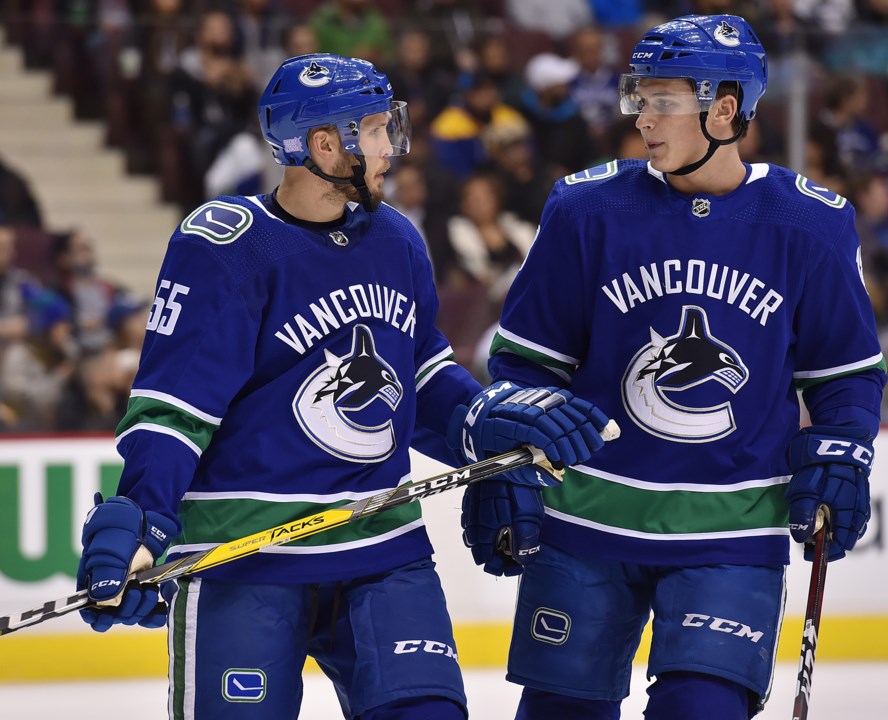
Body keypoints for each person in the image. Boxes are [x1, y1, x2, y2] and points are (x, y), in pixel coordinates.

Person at [73, 53, 611, 720]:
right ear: (326, 145)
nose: (394, 147)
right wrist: (147, 519)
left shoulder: (396, 239)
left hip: (381, 547)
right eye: (379, 130)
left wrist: (480, 427)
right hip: (243, 554)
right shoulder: (227, 246)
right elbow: (176, 413)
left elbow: (420, 376)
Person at [462, 15, 886, 719]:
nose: (643, 120)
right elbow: (528, 366)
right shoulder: (585, 208)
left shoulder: (810, 224)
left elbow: (845, 375)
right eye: (640, 98)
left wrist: (845, 450)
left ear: (725, 109)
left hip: (732, 530)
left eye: (662, 101)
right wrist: (512, 458)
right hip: (587, 521)